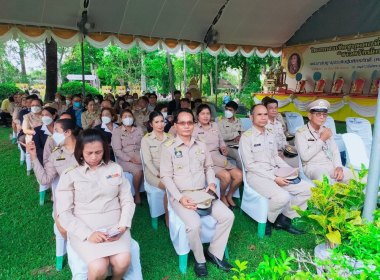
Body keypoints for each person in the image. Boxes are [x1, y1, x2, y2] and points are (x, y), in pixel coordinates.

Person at [160, 108, 234, 277]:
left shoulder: (201, 143)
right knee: (194, 225)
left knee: (228, 216)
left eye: (189, 123)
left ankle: (214, 253)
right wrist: (179, 198)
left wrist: (212, 185)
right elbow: (166, 176)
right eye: (182, 123)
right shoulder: (169, 147)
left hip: (203, 192)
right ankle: (200, 260)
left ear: (193, 124)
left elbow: (208, 167)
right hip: (182, 195)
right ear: (176, 125)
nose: (186, 126)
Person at [55, 128, 135, 280]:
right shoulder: (70, 174)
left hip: (115, 227)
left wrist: (123, 225)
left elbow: (127, 199)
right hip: (85, 228)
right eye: (89, 153)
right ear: (80, 151)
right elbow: (64, 213)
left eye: (99, 152)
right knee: (98, 268)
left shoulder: (115, 169)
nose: (94, 157)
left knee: (123, 261)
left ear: (105, 149)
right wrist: (88, 234)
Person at [239, 104, 312, 237]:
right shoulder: (247, 137)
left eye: (265, 114)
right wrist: (274, 178)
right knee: (281, 197)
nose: (263, 117)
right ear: (251, 117)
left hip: (274, 171)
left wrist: (288, 169)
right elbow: (249, 166)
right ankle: (268, 220)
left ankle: (284, 219)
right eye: (259, 114)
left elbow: (274, 156)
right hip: (256, 176)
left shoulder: (270, 134)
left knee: (308, 189)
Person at [23, 118, 80, 239]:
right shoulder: (56, 154)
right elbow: (45, 180)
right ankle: (74, 246)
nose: (53, 135)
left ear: (67, 132)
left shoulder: (87, 150)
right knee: (61, 226)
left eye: (57, 131)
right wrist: (33, 157)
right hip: (66, 197)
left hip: (87, 195)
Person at [295, 99, 357, 184]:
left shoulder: (326, 130)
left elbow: (335, 152)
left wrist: (339, 167)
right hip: (313, 167)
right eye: (318, 114)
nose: (322, 117)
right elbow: (304, 157)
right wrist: (322, 139)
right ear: (310, 116)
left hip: (330, 165)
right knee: (325, 181)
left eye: (324, 115)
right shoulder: (301, 133)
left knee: (358, 178)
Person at [194, 104, 243, 208]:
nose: (205, 116)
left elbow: (220, 138)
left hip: (218, 156)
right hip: (207, 160)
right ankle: (222, 197)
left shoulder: (214, 125)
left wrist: (223, 146)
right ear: (197, 116)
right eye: (202, 114)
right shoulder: (194, 129)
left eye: (207, 113)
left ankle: (229, 195)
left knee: (239, 176)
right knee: (226, 176)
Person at [141, 111, 173, 226]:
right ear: (151, 124)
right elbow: (148, 161)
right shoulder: (146, 139)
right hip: (153, 173)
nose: (160, 125)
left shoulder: (170, 137)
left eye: (162, 121)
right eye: (157, 122)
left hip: (169, 171)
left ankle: (180, 212)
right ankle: (168, 215)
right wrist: (159, 173)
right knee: (169, 188)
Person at [111, 109, 144, 205]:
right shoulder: (117, 131)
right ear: (121, 119)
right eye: (125, 116)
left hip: (140, 156)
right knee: (138, 171)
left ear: (133, 118)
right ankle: (137, 194)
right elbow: (117, 150)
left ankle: (147, 190)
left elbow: (144, 144)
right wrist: (130, 159)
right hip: (125, 159)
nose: (127, 118)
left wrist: (141, 156)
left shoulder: (139, 129)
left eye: (129, 116)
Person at [264, 98, 298, 168]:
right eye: (271, 108)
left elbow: (283, 139)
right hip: (271, 155)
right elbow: (265, 144)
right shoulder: (263, 125)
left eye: (276, 108)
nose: (274, 110)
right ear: (266, 110)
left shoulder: (279, 124)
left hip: (283, 152)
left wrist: (287, 148)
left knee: (299, 158)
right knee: (294, 166)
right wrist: (276, 154)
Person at [217, 101, 244, 170]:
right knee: (239, 156)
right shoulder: (220, 121)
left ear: (235, 112)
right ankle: (242, 177)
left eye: (230, 110)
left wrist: (239, 136)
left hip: (238, 145)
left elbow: (243, 134)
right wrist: (237, 134)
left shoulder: (238, 121)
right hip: (227, 146)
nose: (227, 111)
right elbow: (223, 136)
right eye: (226, 109)